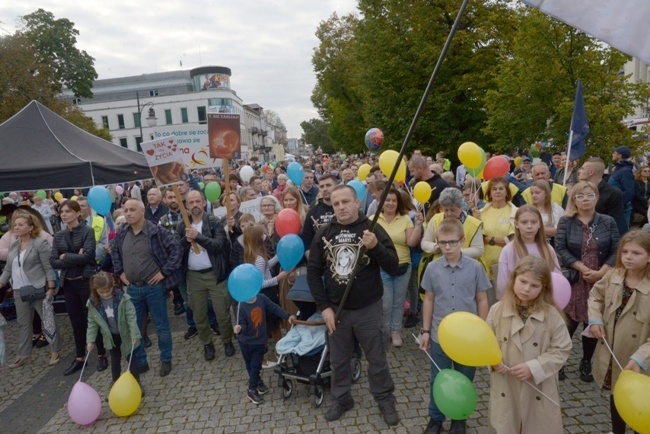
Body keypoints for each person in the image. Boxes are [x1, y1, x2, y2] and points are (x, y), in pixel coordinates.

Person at [307, 184, 400, 426]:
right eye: (336, 203)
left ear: (357, 202)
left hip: (368, 308)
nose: (341, 207)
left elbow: (393, 266)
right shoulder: (324, 233)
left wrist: (375, 247)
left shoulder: (372, 228)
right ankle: (342, 398)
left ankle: (384, 398)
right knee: (338, 360)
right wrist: (324, 307)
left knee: (377, 357)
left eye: (345, 202)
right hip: (337, 311)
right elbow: (314, 272)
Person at [420, 219, 490, 434]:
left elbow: (482, 300)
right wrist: (425, 330)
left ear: (462, 241)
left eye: (452, 242)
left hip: (467, 338)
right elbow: (429, 300)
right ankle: (435, 418)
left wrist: (483, 331)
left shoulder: (476, 267)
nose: (447, 248)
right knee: (438, 377)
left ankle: (459, 418)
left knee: (464, 378)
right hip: (440, 334)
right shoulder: (432, 268)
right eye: (442, 243)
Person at [487, 256, 572, 434]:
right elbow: (487, 343)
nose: (526, 289)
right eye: (523, 281)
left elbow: (561, 349)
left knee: (536, 425)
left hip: (538, 388)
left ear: (543, 288)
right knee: (507, 424)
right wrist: (492, 362)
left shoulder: (552, 316)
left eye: (534, 285)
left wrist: (534, 367)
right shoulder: (497, 310)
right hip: (506, 384)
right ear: (514, 279)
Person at [555, 181, 619, 382]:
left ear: (597, 197)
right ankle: (559, 361)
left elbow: (617, 249)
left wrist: (601, 273)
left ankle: (586, 362)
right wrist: (583, 268)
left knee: (593, 322)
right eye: (580, 196)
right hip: (575, 279)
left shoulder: (608, 222)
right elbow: (560, 248)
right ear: (573, 199)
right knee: (568, 323)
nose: (585, 199)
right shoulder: (566, 221)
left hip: (600, 280)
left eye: (590, 195)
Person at [111, 199, 182, 377]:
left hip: (154, 287)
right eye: (125, 210)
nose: (128, 213)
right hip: (133, 288)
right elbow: (115, 252)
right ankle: (141, 361)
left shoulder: (156, 231)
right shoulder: (121, 232)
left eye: (132, 210)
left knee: (161, 325)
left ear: (142, 211)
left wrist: (164, 272)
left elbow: (176, 249)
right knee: (135, 327)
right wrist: (120, 272)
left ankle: (166, 359)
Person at [588, 230, 650, 434]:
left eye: (636, 253)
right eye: (625, 252)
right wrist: (596, 318)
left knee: (643, 403)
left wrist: (641, 358)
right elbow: (595, 295)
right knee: (618, 394)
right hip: (614, 351)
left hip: (641, 357)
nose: (628, 257)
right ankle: (617, 431)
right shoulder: (614, 275)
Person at [51, 200, 108, 376]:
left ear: (77, 213)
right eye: (62, 211)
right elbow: (53, 260)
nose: (64, 214)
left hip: (84, 281)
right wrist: (76, 256)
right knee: (76, 321)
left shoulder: (87, 231)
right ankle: (80, 357)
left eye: (68, 211)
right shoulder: (59, 235)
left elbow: (89, 256)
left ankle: (101, 354)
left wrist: (65, 256)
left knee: (93, 317)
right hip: (68, 283)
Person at [176, 190, 235, 361]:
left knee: (222, 311)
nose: (194, 205)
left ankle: (227, 340)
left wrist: (198, 237)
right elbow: (177, 250)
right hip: (193, 277)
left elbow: (219, 245)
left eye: (197, 201)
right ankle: (207, 344)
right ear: (187, 205)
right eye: (191, 202)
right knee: (199, 314)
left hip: (215, 275)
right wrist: (185, 241)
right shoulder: (183, 225)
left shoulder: (213, 221)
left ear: (203, 203)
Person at [0, 211, 61, 368]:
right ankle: (23, 354)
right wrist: (1, 283)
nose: (16, 227)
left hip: (38, 288)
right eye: (15, 225)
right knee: (23, 323)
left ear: (30, 227)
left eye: (20, 224)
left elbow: (48, 267)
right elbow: (8, 269)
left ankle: (55, 351)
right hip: (19, 290)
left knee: (47, 320)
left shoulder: (40, 243)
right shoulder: (14, 245)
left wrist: (51, 287)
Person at [370, 188, 423, 347]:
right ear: (381, 202)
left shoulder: (405, 219)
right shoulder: (373, 219)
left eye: (394, 200)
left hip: (403, 265)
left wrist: (419, 225)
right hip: (381, 266)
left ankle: (396, 332)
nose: (390, 203)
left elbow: (411, 242)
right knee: (385, 302)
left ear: (398, 202)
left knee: (398, 302)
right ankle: (385, 331)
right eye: (387, 200)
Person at [234, 293, 297, 404]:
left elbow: (274, 308)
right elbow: (242, 323)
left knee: (256, 365)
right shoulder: (240, 305)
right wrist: (239, 328)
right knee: (249, 364)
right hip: (245, 342)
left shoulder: (262, 298)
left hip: (259, 341)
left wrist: (287, 316)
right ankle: (257, 381)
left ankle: (252, 390)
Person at [244, 224, 290, 365]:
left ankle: (272, 353)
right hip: (265, 294)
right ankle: (278, 352)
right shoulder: (258, 258)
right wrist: (278, 278)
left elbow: (265, 266)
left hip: (261, 295)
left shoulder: (254, 255)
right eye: (262, 234)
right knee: (273, 324)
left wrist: (278, 256)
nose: (265, 236)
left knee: (266, 326)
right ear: (257, 239)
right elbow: (260, 283)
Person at [86, 271, 142, 389]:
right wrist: (90, 340)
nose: (105, 294)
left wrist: (134, 333)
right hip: (111, 335)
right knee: (115, 359)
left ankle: (137, 383)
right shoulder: (93, 303)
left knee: (131, 358)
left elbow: (131, 317)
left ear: (113, 285)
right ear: (95, 289)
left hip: (126, 333)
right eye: (101, 292)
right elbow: (92, 323)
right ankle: (115, 383)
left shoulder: (123, 298)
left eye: (108, 291)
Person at [497, 205, 560, 297]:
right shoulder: (508, 250)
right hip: (516, 301)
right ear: (516, 224)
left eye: (534, 222)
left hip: (543, 301)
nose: (529, 226)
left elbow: (557, 278)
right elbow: (503, 284)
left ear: (539, 224)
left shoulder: (548, 249)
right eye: (524, 222)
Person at [479, 177, 517, 281]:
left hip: (507, 264)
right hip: (484, 264)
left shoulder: (515, 212)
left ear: (507, 192)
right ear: (489, 193)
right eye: (494, 189)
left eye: (501, 189)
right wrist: (498, 240)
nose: (497, 191)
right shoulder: (481, 213)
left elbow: (512, 239)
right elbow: (479, 238)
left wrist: (489, 240)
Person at [578, 157, 625, 235]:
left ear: (591, 172)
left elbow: (614, 222)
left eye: (582, 169)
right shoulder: (579, 191)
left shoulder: (614, 193)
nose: (579, 171)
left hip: (604, 238)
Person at [609, 146, 635, 235]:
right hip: (616, 207)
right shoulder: (619, 168)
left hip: (622, 209)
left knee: (622, 235)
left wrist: (620, 204)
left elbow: (629, 191)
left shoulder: (625, 171)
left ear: (619, 155)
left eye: (614, 153)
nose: (612, 154)